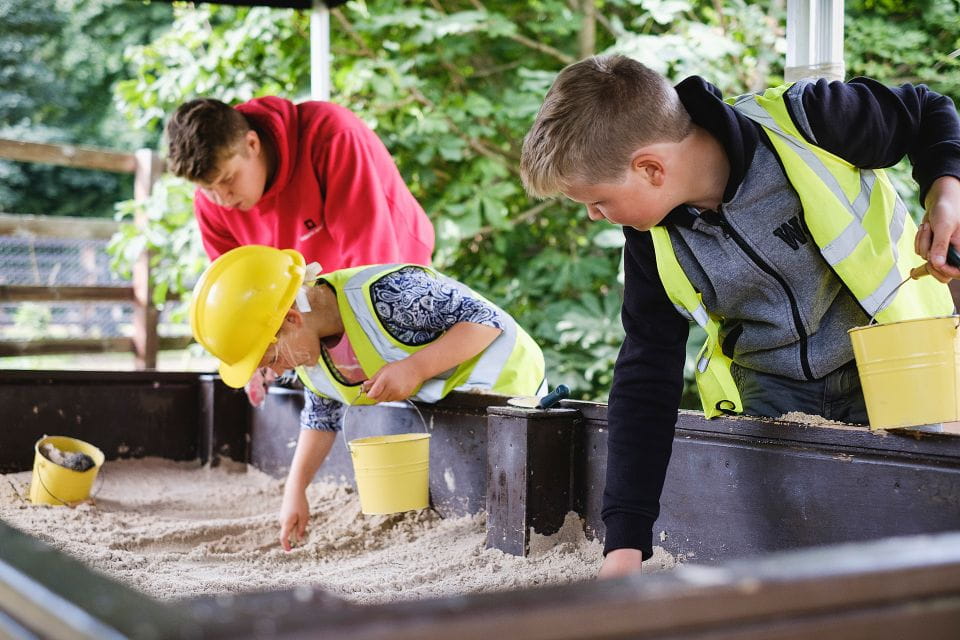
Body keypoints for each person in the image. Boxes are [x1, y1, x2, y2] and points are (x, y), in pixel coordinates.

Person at [519, 54, 960, 579]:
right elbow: (646, 374)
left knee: (920, 540)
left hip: (901, 364)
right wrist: (625, 544)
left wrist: (946, 195)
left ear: (651, 168)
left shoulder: (808, 122)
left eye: (597, 200)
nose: (595, 214)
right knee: (799, 559)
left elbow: (927, 111)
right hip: (775, 395)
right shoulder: (649, 242)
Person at [189, 245, 546, 551]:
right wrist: (295, 492)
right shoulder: (307, 357)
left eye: (270, 359)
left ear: (293, 319)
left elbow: (485, 319)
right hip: (451, 401)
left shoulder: (390, 294)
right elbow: (320, 418)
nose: (278, 371)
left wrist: (415, 368)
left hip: (507, 383)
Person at [165, 96, 436, 404]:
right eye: (208, 188)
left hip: (392, 269)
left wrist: (359, 346)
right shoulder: (212, 205)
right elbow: (237, 297)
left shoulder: (333, 136)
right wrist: (252, 355)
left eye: (228, 180)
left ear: (252, 144)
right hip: (308, 303)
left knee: (392, 383)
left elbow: (373, 258)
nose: (223, 199)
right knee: (326, 396)